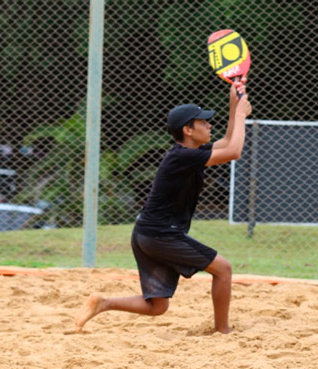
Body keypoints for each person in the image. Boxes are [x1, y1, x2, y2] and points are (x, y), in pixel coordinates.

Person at [74, 79, 252, 335]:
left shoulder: (188, 153)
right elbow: (234, 151)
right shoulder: (182, 157)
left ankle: (103, 302)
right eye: (202, 122)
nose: (208, 125)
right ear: (188, 130)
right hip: (161, 235)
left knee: (157, 306)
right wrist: (242, 116)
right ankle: (223, 331)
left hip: (147, 234)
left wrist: (234, 101)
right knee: (223, 269)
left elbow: (226, 141)